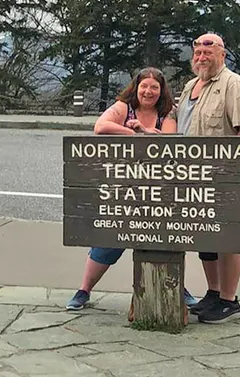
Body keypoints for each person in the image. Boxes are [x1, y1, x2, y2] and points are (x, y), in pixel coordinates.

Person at [65, 67, 198, 319]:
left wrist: (145, 133)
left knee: (165, 239)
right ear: (136, 87)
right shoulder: (123, 107)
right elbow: (100, 126)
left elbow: (168, 141)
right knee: (108, 241)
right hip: (124, 187)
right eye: (144, 86)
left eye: (154, 87)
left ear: (162, 91)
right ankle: (84, 290)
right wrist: (134, 132)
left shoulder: (167, 113)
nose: (148, 92)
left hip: (159, 189)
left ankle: (178, 288)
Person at [174, 32, 240, 324]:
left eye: (208, 52)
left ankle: (229, 300)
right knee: (206, 238)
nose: (201, 57)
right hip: (190, 177)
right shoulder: (190, 87)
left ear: (222, 54)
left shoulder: (233, 85)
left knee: (228, 239)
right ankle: (213, 292)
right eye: (197, 52)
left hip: (222, 177)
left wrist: (233, 175)